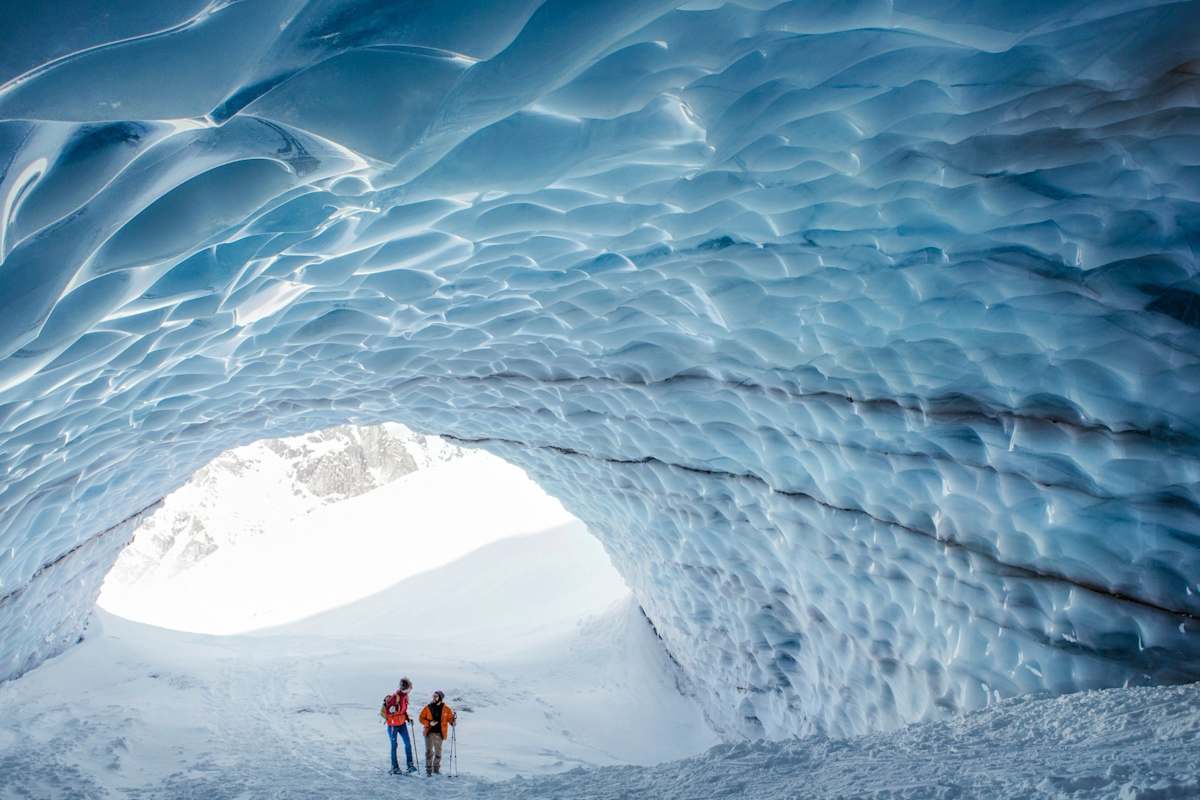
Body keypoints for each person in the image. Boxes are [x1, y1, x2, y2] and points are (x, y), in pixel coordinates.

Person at [380, 678, 416, 774]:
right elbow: (387, 712)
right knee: (394, 745)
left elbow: (403, 711)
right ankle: (394, 767)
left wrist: (408, 719)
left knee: (407, 743)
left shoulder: (405, 697)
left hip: (402, 724)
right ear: (405, 688)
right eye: (410, 687)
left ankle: (410, 765)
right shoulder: (395, 697)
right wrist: (391, 710)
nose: (411, 689)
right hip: (393, 725)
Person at [418, 690, 456, 776]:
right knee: (429, 752)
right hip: (429, 733)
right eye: (433, 696)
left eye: (436, 696)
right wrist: (429, 723)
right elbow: (421, 718)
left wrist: (453, 722)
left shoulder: (446, 709)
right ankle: (428, 770)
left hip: (440, 734)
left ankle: (436, 769)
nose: (434, 697)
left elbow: (450, 719)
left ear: (440, 698)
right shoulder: (428, 707)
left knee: (438, 753)